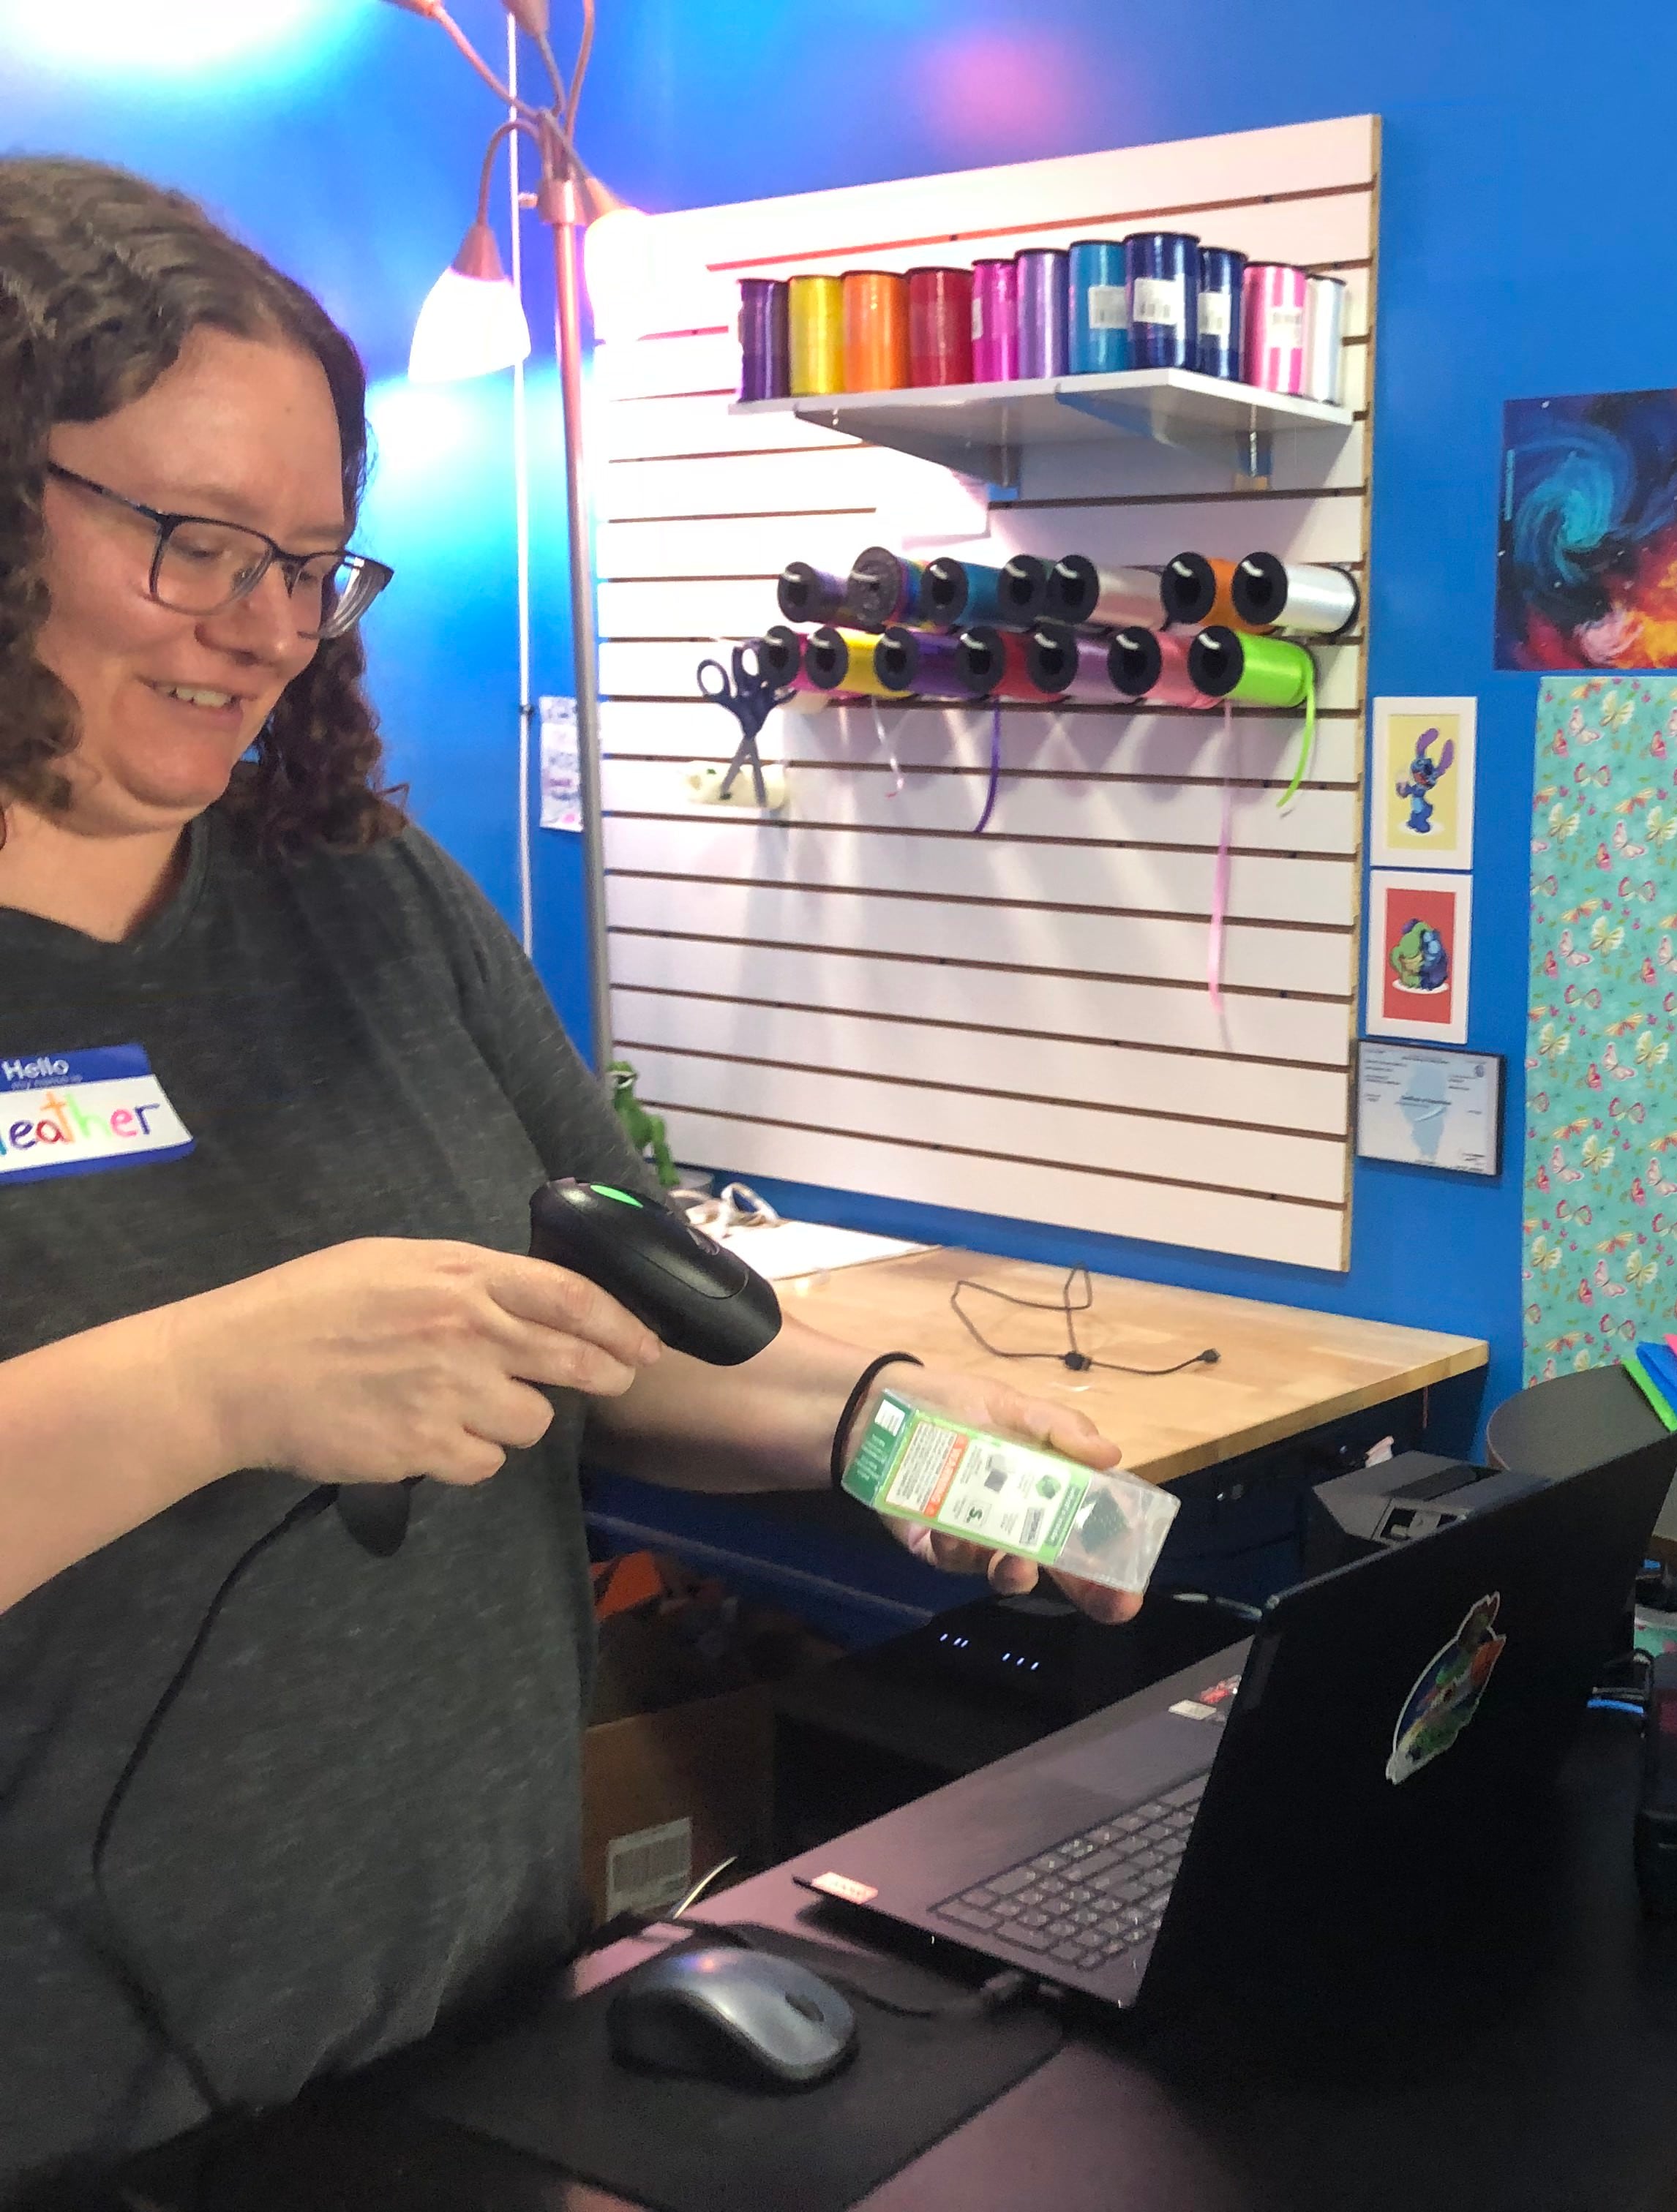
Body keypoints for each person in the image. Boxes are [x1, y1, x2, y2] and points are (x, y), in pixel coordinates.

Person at [0, 159, 1133, 2202]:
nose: (261, 632)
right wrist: (212, 1385)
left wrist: (873, 1425)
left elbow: (602, 1332)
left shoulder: (367, 892)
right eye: (189, 543)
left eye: (316, 563)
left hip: (467, 2043)